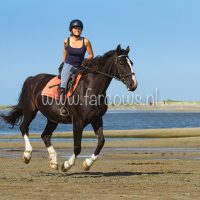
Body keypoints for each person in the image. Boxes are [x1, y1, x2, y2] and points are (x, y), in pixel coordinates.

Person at [60, 19, 94, 116]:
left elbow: (91, 55)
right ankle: (63, 106)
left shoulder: (86, 41)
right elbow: (65, 51)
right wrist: (63, 62)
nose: (77, 30)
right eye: (75, 28)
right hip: (69, 65)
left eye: (79, 28)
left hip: (80, 66)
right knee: (63, 83)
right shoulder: (66, 40)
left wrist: (85, 62)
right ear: (71, 29)